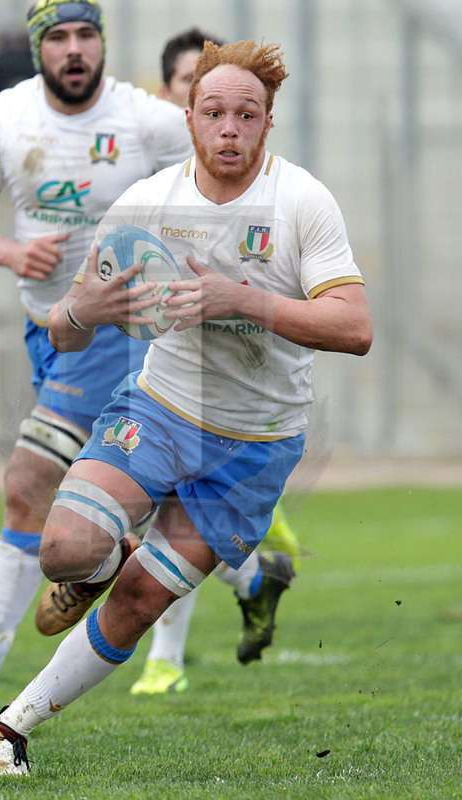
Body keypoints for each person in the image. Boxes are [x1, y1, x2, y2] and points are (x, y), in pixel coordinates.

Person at [0, 38, 373, 777]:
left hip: (257, 445)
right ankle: (99, 557)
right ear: (187, 116)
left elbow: (355, 328)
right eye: (213, 112)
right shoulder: (148, 203)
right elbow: (65, 321)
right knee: (64, 550)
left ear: (268, 122)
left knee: (140, 601)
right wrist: (83, 308)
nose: (229, 129)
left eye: (245, 115)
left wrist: (242, 300)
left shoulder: (302, 201)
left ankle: (8, 728)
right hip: (159, 409)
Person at [0, 0, 192, 720]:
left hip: (126, 334)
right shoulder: (5, 118)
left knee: (27, 480)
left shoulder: (147, 119)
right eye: (58, 37)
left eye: (85, 35)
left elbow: (220, 191)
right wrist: (7, 249)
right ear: (38, 47)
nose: (73, 49)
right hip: (50, 330)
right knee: (135, 505)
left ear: (101, 44)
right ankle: (124, 561)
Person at [129, 28, 302, 696]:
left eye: (241, 109)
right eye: (188, 89)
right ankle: (254, 574)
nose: (222, 122)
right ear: (177, 102)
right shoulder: (154, 178)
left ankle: (163, 660)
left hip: (225, 379)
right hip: (146, 350)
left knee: (169, 510)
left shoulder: (268, 190)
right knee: (128, 507)